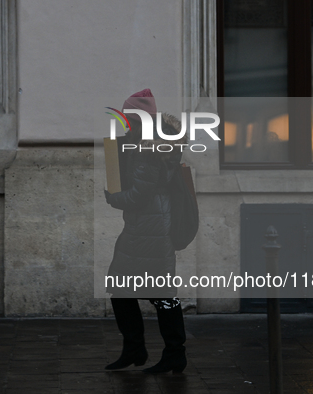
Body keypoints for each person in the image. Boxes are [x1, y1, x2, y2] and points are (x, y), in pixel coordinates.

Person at [104, 89, 187, 374]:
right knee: (126, 288)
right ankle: (139, 349)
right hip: (148, 228)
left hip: (150, 230)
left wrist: (112, 196)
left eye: (128, 116)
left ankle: (165, 352)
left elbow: (138, 195)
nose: (124, 120)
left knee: (156, 293)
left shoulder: (147, 149)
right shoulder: (155, 143)